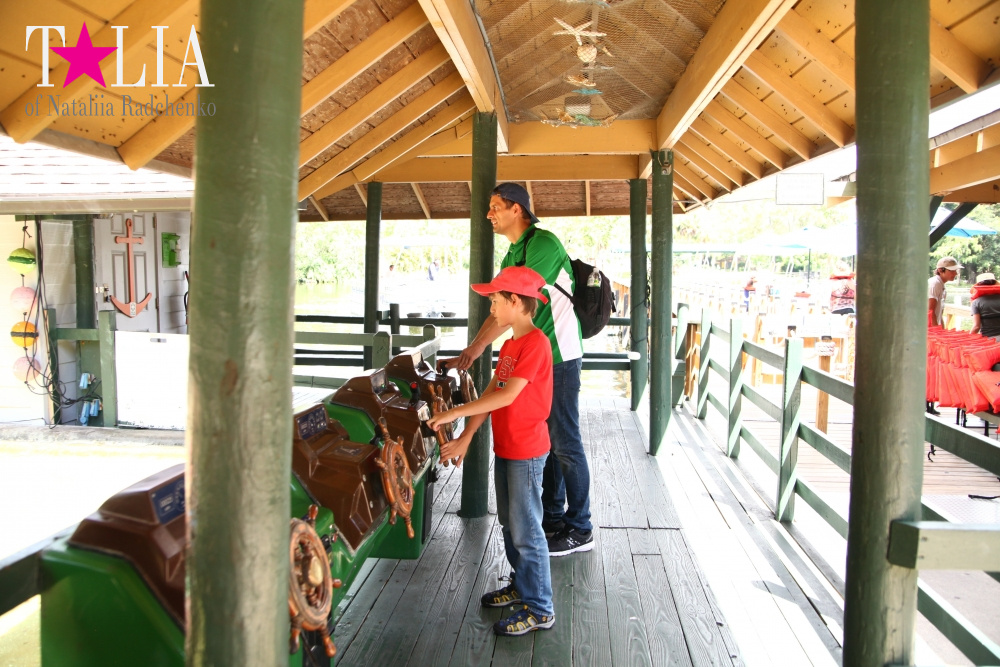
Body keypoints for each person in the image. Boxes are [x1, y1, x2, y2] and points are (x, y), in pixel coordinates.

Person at [447, 182, 593, 557]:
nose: (489, 213)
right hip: (533, 359)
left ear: (518, 210)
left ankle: (580, 526)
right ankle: (553, 518)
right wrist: (474, 349)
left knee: (565, 442)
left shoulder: (541, 244)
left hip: (558, 354)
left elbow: (518, 301)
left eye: (496, 206)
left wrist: (478, 347)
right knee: (547, 440)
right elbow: (502, 305)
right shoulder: (514, 252)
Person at [427, 266, 555, 636]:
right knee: (509, 523)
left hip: (528, 452)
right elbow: (490, 394)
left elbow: (509, 395)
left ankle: (541, 607)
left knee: (527, 530)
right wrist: (467, 436)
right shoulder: (511, 344)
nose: (492, 308)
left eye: (496, 301)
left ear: (516, 301)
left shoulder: (536, 344)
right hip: (507, 448)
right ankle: (522, 585)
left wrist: (452, 411)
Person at [928, 256, 962, 415]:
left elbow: (937, 312)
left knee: (933, 367)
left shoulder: (941, 285)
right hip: (928, 331)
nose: (955, 274)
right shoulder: (935, 284)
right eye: (952, 271)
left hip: (933, 330)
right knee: (929, 367)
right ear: (941, 271)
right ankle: (926, 403)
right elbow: (930, 310)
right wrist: (936, 332)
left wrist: (941, 329)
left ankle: (929, 403)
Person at [970, 271, 1000, 340]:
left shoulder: (976, 303)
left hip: (989, 340)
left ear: (978, 286)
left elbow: (976, 327)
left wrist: (967, 340)